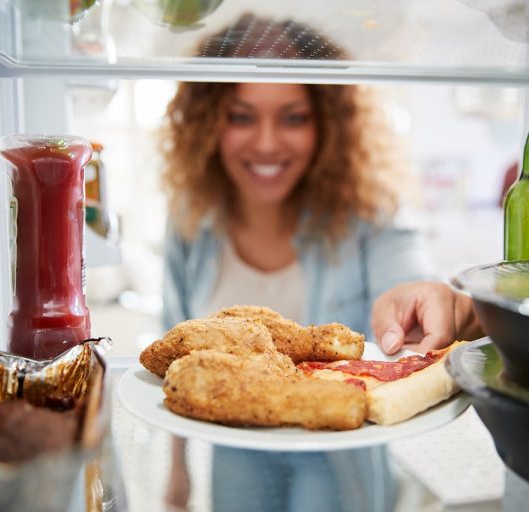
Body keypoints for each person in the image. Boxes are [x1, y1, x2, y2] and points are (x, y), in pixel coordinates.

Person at [157, 13, 484, 512]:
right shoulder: (190, 226)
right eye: (242, 115)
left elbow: (407, 276)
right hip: (234, 444)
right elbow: (174, 357)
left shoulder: (366, 217)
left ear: (327, 124)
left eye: (294, 116)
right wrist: (177, 471)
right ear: (209, 123)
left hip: (340, 449)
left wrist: (424, 297)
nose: (267, 142)